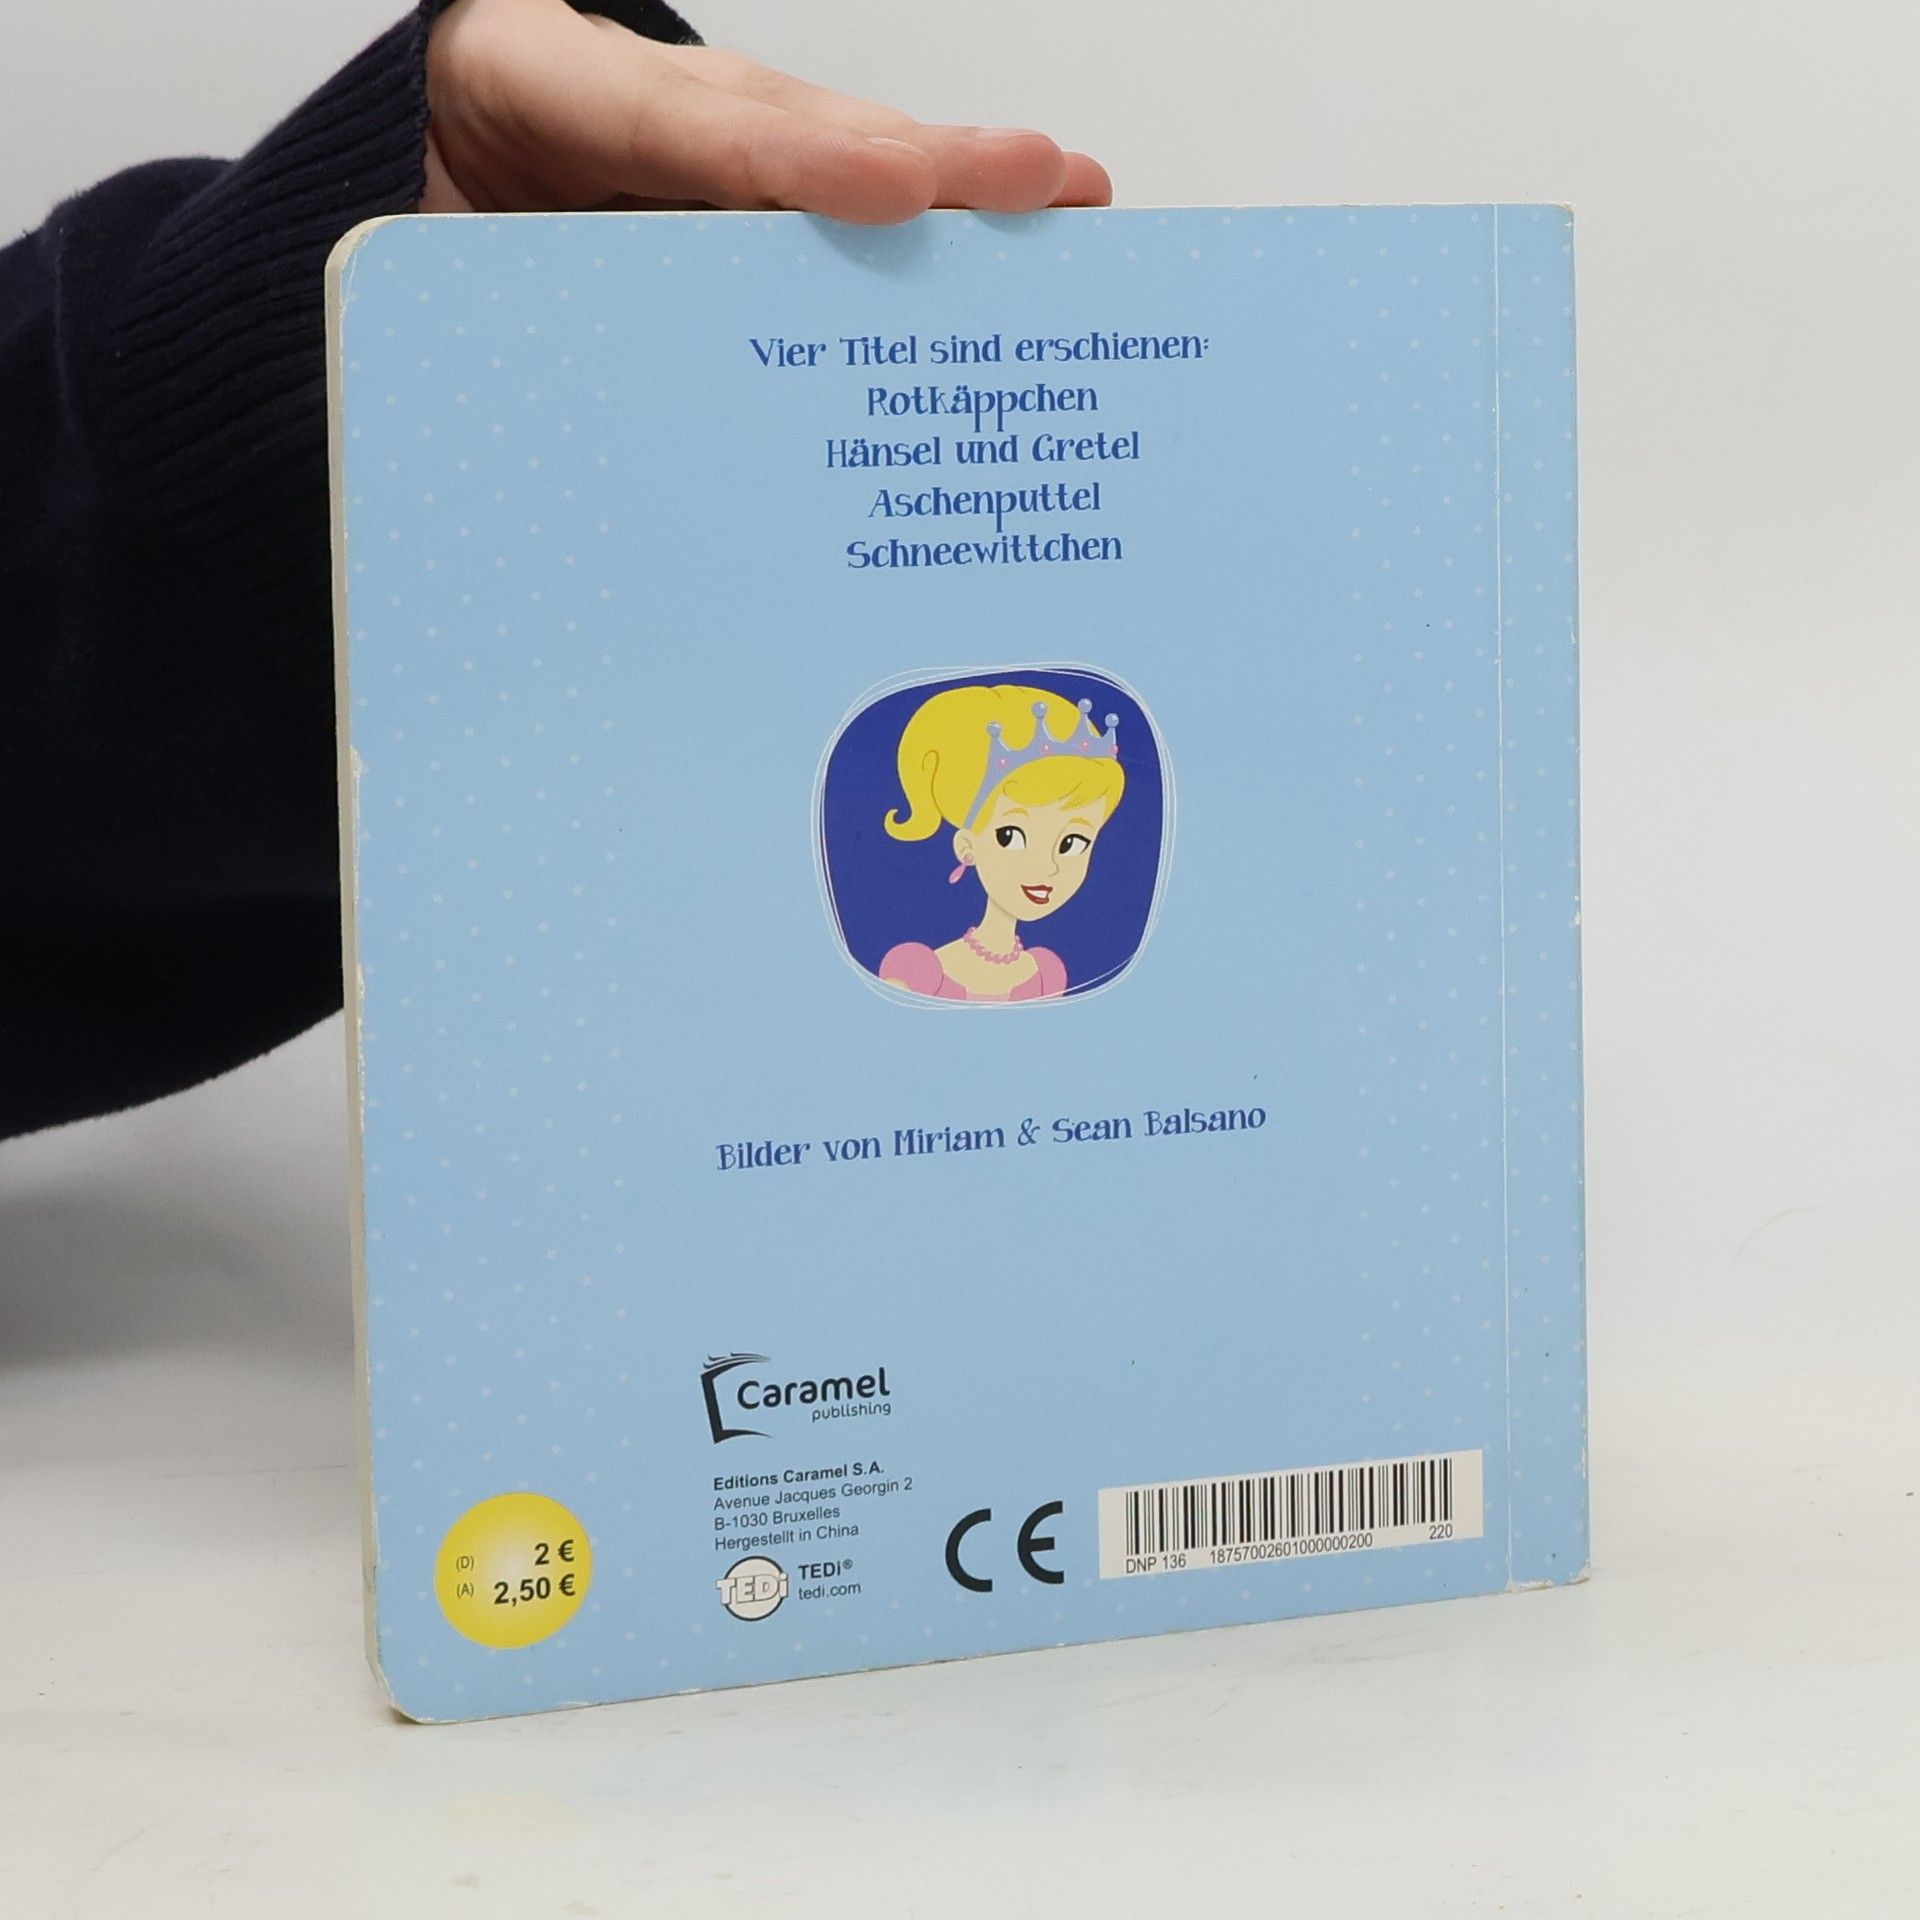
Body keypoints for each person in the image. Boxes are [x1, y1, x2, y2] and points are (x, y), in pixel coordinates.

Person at [0, 0, 1112, 1140]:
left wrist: (272, 417)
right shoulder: (908, 967)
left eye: (1072, 841)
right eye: (1022, 833)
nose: (1048, 865)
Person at [878, 684, 1126, 1001]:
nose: (1047, 867)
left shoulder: (1047, 975)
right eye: (1011, 836)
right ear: (966, 847)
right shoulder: (918, 975)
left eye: (1073, 843)